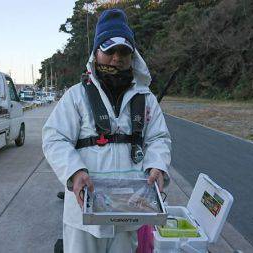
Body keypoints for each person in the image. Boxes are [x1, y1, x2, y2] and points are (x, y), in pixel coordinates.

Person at [42, 8, 171, 253]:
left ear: (132, 55)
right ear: (96, 52)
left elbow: (159, 139)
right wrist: (75, 172)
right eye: (110, 50)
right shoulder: (76, 96)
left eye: (124, 51)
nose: (117, 57)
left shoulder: (146, 98)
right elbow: (54, 138)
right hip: (83, 215)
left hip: (130, 210)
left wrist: (158, 165)